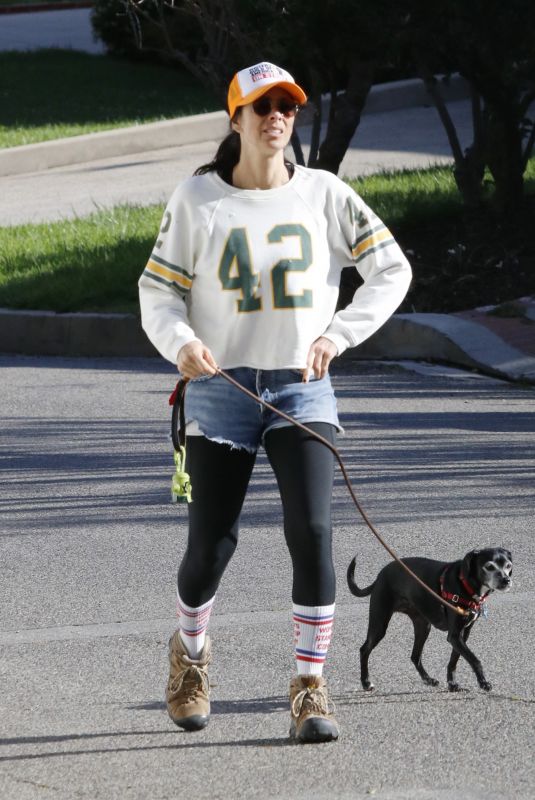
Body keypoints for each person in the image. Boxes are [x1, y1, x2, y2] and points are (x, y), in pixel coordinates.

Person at [138, 61, 411, 743]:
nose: (275, 118)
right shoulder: (197, 199)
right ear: (235, 119)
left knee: (312, 533)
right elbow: (158, 290)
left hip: (300, 388)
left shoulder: (322, 194)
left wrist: (337, 334)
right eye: (260, 107)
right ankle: (190, 658)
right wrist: (179, 342)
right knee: (211, 546)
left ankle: (310, 687)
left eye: (286, 106)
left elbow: (390, 268)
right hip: (220, 389)